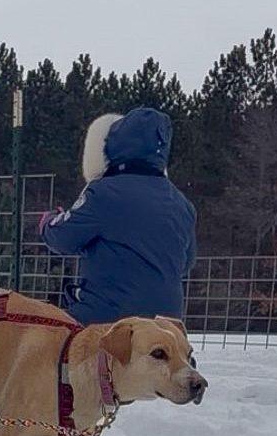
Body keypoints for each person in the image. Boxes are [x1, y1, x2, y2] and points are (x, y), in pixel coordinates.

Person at [39, 107, 196, 325]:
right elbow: (186, 263)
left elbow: (63, 238)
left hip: (106, 317)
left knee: (44, 341)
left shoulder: (104, 193)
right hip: (166, 327)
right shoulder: (182, 205)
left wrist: (48, 221)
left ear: (113, 145)